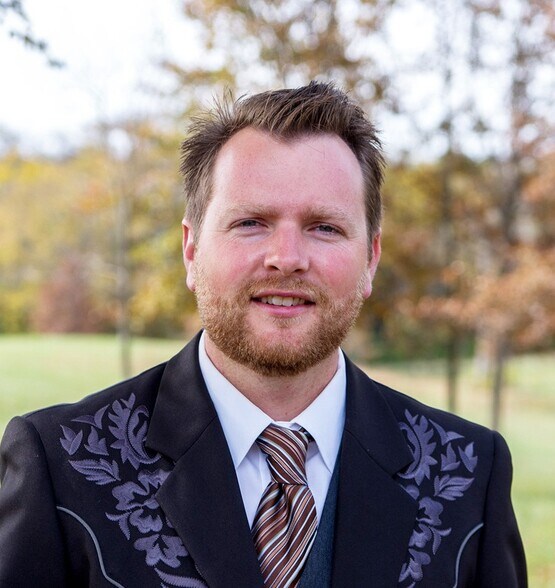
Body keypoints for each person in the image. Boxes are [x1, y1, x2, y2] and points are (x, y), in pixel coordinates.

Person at [0, 81, 526, 587]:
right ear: (191, 249)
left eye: (324, 227)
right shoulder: (61, 465)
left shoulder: (468, 474)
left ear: (370, 259)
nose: (287, 258)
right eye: (251, 222)